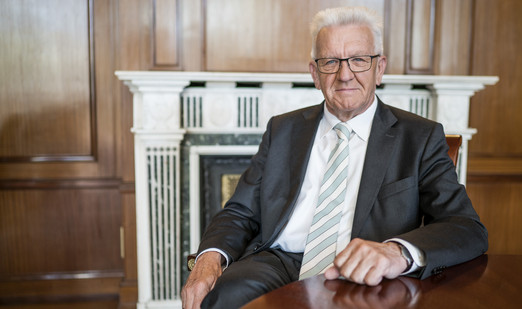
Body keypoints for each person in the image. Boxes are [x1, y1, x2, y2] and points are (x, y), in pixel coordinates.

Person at [181, 6, 488, 309]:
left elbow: (466, 227)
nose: (345, 75)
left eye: (358, 60)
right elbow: (240, 211)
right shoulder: (282, 130)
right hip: (275, 264)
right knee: (223, 296)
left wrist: (397, 252)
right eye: (330, 62)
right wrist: (209, 257)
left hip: (362, 274)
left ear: (379, 68)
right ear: (315, 73)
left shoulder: (419, 137)